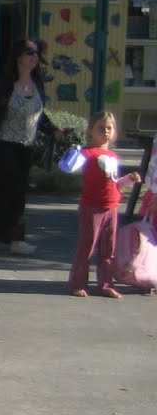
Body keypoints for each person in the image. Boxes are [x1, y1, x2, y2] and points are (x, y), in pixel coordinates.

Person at [0, 38, 63, 255]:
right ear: (18, 56)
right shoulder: (3, 84)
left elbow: (38, 115)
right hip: (2, 145)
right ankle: (14, 239)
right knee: (8, 191)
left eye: (36, 53)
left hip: (26, 147)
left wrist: (53, 130)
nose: (34, 57)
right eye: (29, 53)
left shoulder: (37, 84)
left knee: (13, 191)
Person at [68, 111, 140, 298]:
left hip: (111, 207)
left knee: (109, 249)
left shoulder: (113, 156)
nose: (106, 131)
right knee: (87, 247)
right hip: (91, 207)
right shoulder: (86, 153)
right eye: (101, 127)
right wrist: (72, 155)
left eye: (110, 128)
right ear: (91, 131)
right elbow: (67, 167)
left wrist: (128, 179)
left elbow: (115, 181)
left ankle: (106, 284)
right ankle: (78, 283)